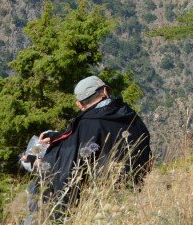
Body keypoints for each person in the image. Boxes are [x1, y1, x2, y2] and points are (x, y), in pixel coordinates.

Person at [34, 76, 152, 217]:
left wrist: (40, 159)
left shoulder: (86, 125)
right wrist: (57, 137)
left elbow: (67, 169)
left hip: (102, 204)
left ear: (79, 104)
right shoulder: (130, 115)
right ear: (106, 91)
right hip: (136, 193)